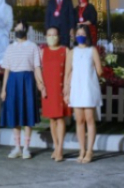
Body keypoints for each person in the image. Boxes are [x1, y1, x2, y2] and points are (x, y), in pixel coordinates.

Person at [0, 20, 45, 160]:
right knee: (14, 114)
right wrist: (3, 89)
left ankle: (26, 148)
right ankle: (17, 147)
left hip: (27, 80)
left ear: (25, 30)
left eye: (20, 28)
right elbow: (6, 69)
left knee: (27, 113)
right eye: (16, 28)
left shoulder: (33, 47)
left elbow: (37, 66)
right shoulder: (10, 48)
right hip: (13, 81)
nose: (17, 30)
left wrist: (40, 83)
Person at [65, 24, 102, 164]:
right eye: (78, 33)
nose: (80, 36)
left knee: (89, 119)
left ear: (87, 36)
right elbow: (67, 72)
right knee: (79, 120)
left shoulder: (92, 50)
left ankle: (89, 151)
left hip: (88, 88)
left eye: (83, 33)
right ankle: (81, 149)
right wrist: (66, 89)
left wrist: (90, 73)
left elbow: (99, 70)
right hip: (76, 88)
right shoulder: (71, 52)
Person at [41, 27, 71, 162]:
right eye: (49, 35)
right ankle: (56, 145)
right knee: (52, 119)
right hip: (48, 89)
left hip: (60, 88)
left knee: (60, 118)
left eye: (54, 35)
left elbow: (69, 70)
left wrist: (67, 86)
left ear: (59, 36)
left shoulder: (65, 51)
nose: (52, 37)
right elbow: (38, 70)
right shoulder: (42, 52)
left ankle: (60, 148)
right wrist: (41, 86)